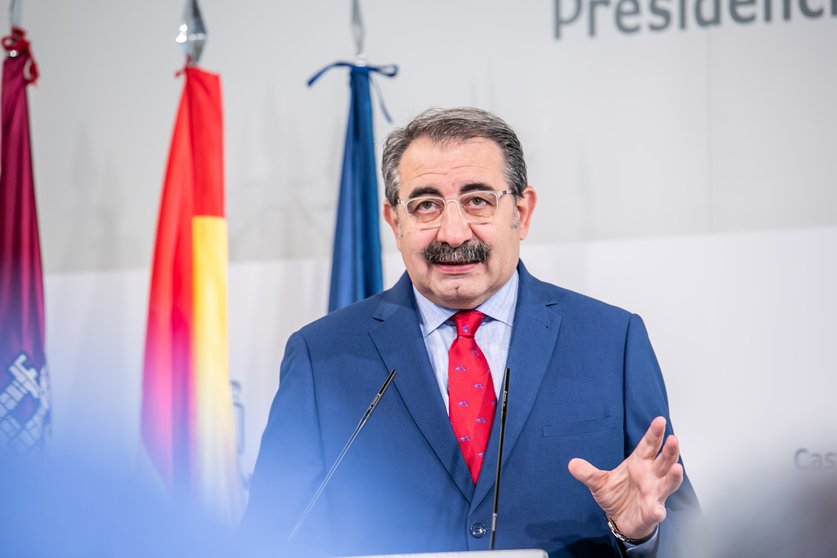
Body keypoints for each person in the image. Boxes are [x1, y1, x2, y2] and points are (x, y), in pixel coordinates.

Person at [242, 107, 700, 557]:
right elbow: (270, 536)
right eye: (426, 205)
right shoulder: (322, 356)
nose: (455, 232)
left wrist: (640, 536)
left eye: (478, 201)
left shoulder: (611, 341)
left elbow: (688, 536)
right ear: (394, 222)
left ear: (522, 211)